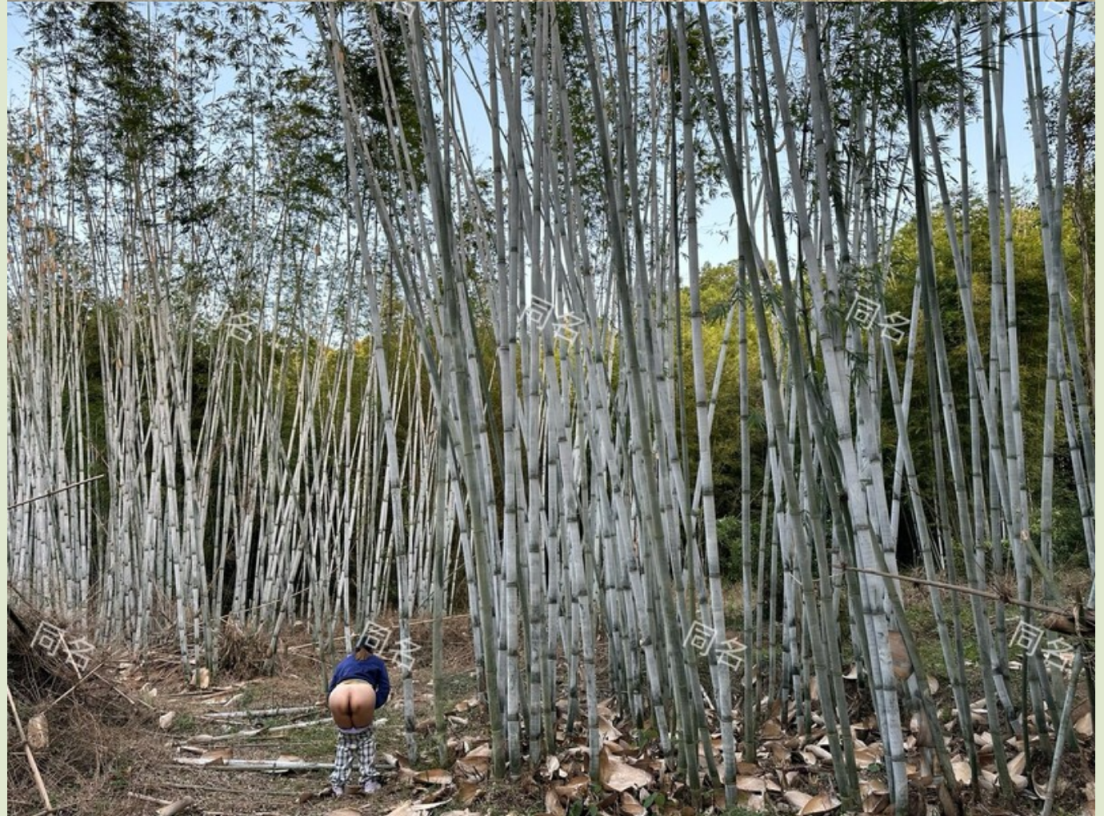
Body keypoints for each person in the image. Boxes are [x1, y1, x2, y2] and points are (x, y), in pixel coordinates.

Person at [327, 634, 390, 796]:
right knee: (366, 739)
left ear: (356, 647)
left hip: (339, 693)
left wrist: (332, 703)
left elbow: (331, 687)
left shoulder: (344, 662)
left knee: (344, 741)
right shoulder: (377, 661)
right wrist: (373, 704)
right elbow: (384, 687)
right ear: (372, 648)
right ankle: (369, 781)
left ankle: (338, 784)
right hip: (363, 692)